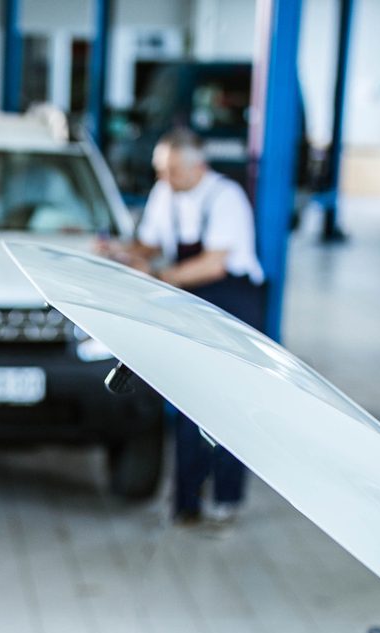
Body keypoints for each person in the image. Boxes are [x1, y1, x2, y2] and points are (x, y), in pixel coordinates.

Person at [97, 127, 266, 524]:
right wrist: (118, 251)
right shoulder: (165, 193)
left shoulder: (226, 198)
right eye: (161, 170)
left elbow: (214, 264)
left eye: (172, 170)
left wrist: (159, 276)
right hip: (190, 300)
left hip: (232, 303)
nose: (163, 178)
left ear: (198, 167)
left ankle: (226, 499)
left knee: (228, 402)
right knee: (189, 397)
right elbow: (152, 243)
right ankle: (186, 503)